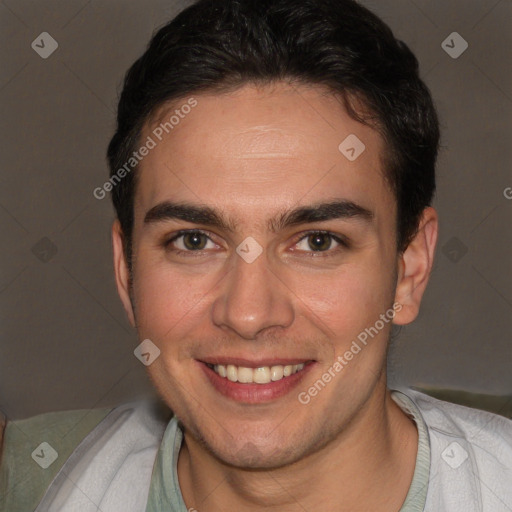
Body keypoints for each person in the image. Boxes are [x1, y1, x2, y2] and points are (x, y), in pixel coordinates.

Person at [1, 0, 511, 510]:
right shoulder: (27, 483)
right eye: (194, 241)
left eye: (317, 241)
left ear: (410, 269)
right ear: (125, 269)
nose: (248, 314)